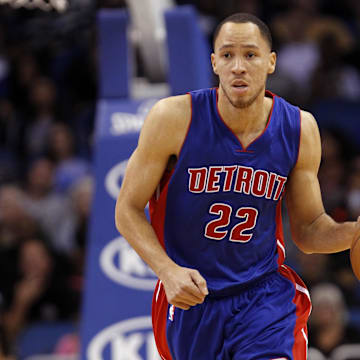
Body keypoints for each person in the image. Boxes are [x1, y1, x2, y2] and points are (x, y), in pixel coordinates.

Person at [115, 13, 360, 359]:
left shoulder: (299, 129)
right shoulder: (172, 118)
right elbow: (126, 209)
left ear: (271, 62)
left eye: (250, 54)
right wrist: (166, 271)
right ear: (214, 62)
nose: (238, 66)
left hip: (262, 295)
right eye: (227, 55)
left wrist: (353, 233)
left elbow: (308, 230)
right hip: (192, 299)